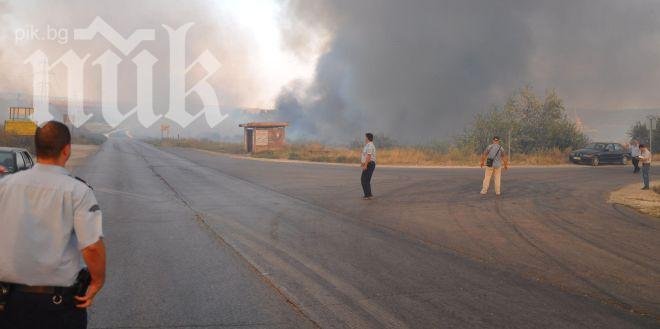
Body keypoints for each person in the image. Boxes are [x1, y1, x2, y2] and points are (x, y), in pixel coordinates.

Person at [0, 121, 106, 329]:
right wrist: (97, 282)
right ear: (66, 150)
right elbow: (92, 247)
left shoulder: (5, 186)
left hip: (8, 302)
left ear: (36, 148)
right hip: (58, 307)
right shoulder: (79, 192)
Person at [361, 133, 377, 200]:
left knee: (364, 179)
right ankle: (368, 194)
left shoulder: (370, 145)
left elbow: (369, 156)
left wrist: (365, 165)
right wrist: (363, 163)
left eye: (365, 137)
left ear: (368, 138)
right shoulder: (367, 145)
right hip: (368, 163)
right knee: (366, 180)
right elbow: (365, 155)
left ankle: (367, 195)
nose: (365, 138)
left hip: (370, 164)